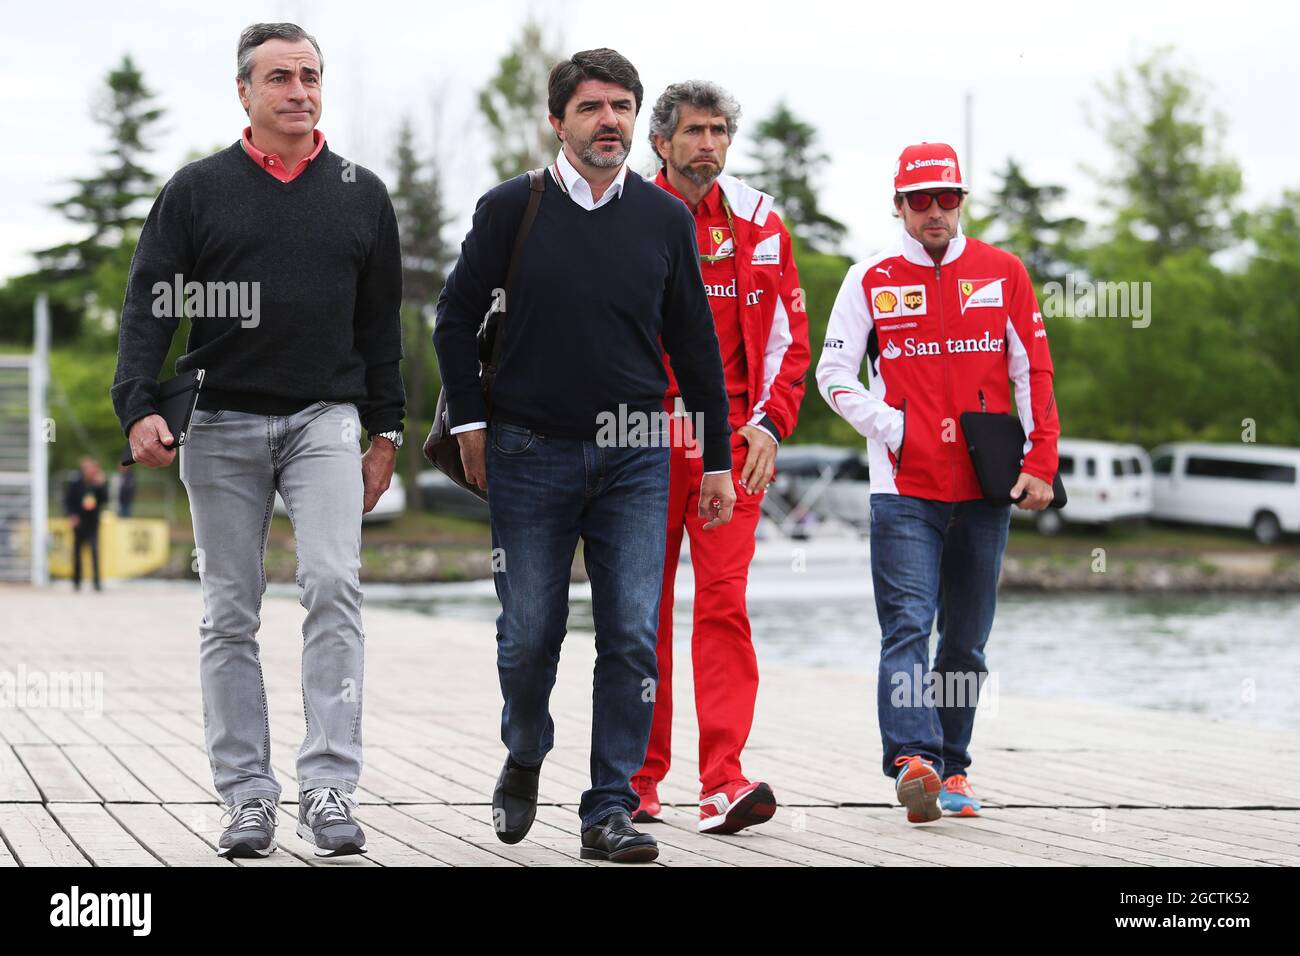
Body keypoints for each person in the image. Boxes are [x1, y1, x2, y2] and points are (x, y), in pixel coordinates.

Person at [110, 22, 406, 858]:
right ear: (245, 92)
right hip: (221, 420)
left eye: (310, 76)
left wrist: (385, 430)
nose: (299, 91)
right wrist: (138, 406)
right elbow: (148, 309)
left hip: (326, 419)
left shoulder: (361, 193)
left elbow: (381, 324)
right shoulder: (197, 191)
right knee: (229, 613)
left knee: (333, 586)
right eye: (279, 77)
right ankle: (247, 797)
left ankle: (328, 788)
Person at [433, 48, 735, 863]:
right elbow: (454, 319)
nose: (611, 122)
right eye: (594, 108)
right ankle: (526, 751)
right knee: (530, 635)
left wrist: (713, 458)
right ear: (558, 120)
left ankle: (608, 808)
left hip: (639, 454)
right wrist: (469, 425)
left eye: (624, 108)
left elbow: (696, 346)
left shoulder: (666, 220)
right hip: (529, 451)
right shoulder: (509, 209)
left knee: (634, 633)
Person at [816, 143, 1060, 823]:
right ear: (897, 205)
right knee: (905, 630)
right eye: (919, 200)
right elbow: (832, 377)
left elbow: (1032, 373)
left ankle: (953, 770)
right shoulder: (868, 277)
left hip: (984, 491)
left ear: (961, 203)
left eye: (947, 198)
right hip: (903, 491)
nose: (934, 211)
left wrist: (1041, 462)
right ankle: (913, 759)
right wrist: (895, 428)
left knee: (965, 644)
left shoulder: (1003, 272)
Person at [634, 81, 809, 834]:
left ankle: (722, 781)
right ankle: (635, 783)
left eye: (720, 131)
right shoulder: (624, 214)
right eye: (694, 131)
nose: (709, 143)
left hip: (733, 444)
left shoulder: (762, 218)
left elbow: (789, 342)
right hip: (637, 439)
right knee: (639, 615)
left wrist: (770, 425)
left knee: (724, 606)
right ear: (661, 143)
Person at [66, 457, 108, 592]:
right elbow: (68, 501)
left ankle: (97, 583)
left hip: (92, 523)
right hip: (79, 523)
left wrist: (101, 485)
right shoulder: (76, 484)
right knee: (77, 553)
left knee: (95, 552)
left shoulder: (96, 485)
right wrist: (72, 515)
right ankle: (76, 582)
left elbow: (104, 499)